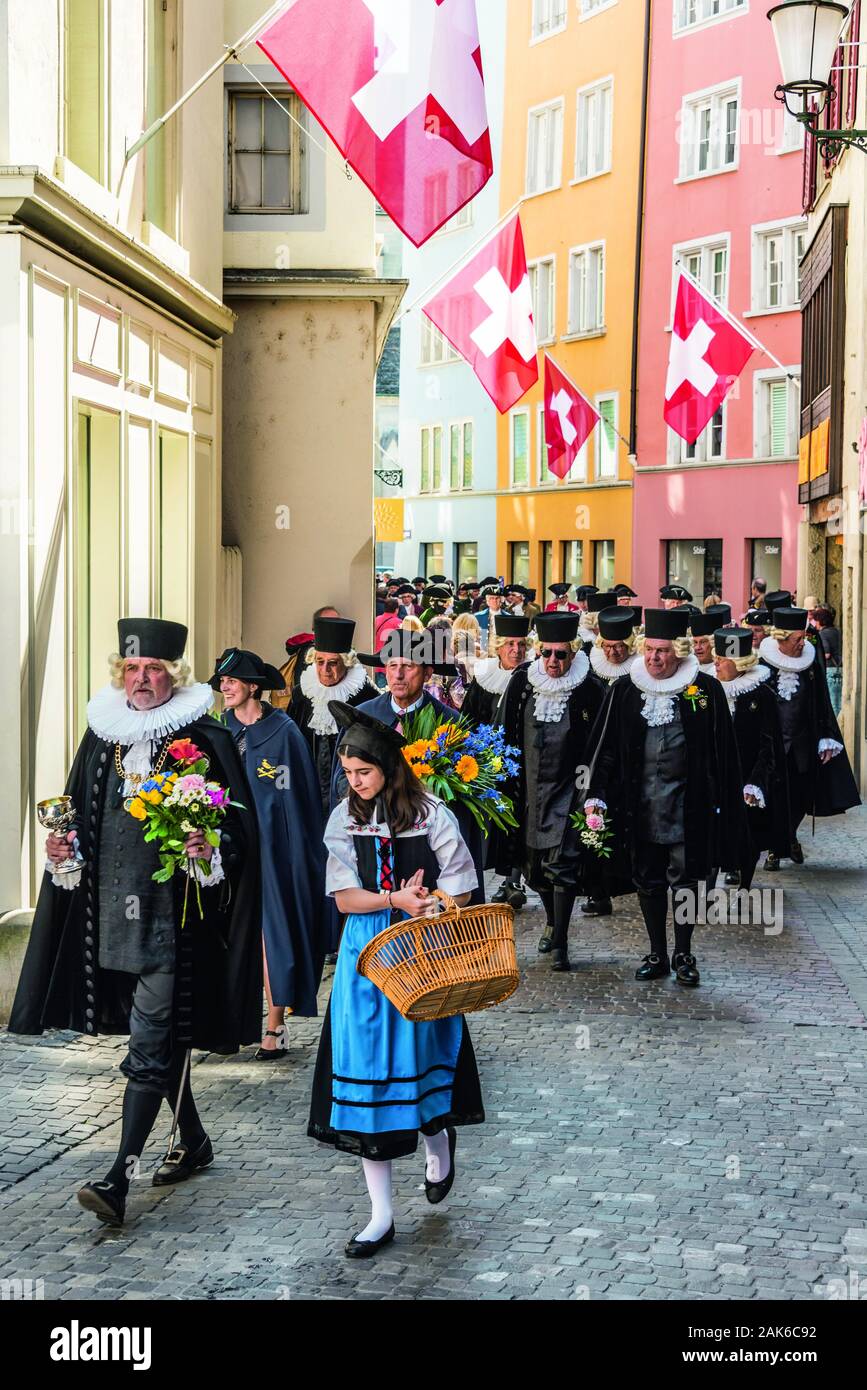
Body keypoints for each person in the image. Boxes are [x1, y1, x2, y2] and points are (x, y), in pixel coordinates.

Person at [9, 619, 261, 1225]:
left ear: (173, 676)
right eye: (131, 669)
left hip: (173, 924)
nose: (140, 679)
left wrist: (211, 844)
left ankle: (119, 1174)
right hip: (109, 919)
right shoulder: (103, 735)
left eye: (152, 670)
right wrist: (62, 851)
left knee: (149, 1044)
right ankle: (193, 1140)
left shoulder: (204, 737)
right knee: (161, 1037)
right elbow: (77, 815)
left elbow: (240, 829)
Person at [309, 702, 482, 1258]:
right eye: (348, 773)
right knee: (368, 1076)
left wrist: (429, 901)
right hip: (367, 957)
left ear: (386, 765)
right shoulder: (343, 819)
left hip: (424, 951)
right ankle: (380, 1215)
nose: (354, 783)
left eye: (363, 772)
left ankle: (438, 1144)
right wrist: (392, 898)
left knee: (421, 1065)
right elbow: (343, 899)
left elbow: (462, 887)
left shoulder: (432, 814)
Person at [581, 608, 749, 987]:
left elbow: (724, 752)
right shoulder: (624, 689)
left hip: (687, 806)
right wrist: (596, 794)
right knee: (648, 881)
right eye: (650, 650)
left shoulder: (703, 690)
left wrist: (724, 803)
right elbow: (603, 749)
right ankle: (657, 951)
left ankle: (684, 953)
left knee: (687, 881)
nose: (655, 658)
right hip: (639, 807)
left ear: (680, 652)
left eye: (663, 651)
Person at [214, 648, 327, 1057]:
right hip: (225, 856)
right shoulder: (217, 730)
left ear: (253, 687)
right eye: (220, 682)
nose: (224, 687)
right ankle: (222, 1022)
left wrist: (300, 860)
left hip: (273, 854)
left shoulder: (284, 733)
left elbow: (300, 802)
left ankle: (274, 1025)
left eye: (231, 680)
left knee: (271, 935)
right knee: (223, 937)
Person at [333, 646, 486, 905]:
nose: (399, 675)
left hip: (424, 850)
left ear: (427, 673)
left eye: (409, 666)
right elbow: (341, 781)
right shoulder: (364, 717)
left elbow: (463, 801)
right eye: (392, 666)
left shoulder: (450, 724)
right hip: (374, 843)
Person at [499, 612, 604, 971]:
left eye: (560, 654)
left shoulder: (589, 689)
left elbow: (598, 744)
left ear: (573, 653)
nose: (553, 661)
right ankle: (550, 921)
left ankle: (560, 940)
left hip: (570, 791)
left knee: (563, 865)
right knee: (535, 868)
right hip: (529, 790)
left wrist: (591, 792)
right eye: (546, 653)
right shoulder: (522, 684)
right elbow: (506, 734)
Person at [759, 607, 860, 869]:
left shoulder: (810, 666)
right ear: (781, 639)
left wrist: (826, 736)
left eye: (803, 637)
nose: (803, 642)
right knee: (774, 798)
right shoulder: (762, 666)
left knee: (800, 797)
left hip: (802, 743)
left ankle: (789, 835)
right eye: (797, 639)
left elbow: (822, 702)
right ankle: (775, 847)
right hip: (771, 746)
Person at [462, 613, 531, 911]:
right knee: (497, 822)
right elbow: (469, 718)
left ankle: (514, 880)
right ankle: (504, 878)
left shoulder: (533, 677)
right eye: (510, 645)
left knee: (520, 821)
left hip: (524, 762)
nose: (516, 650)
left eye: (521, 645)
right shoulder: (485, 678)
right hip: (489, 763)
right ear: (499, 648)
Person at [711, 627, 790, 888]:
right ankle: (709, 889)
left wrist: (757, 782)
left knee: (749, 835)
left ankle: (745, 884)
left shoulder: (761, 694)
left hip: (747, 776)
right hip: (714, 775)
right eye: (717, 657)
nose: (716, 663)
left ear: (739, 662)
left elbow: (769, 744)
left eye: (722, 659)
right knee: (710, 834)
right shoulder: (707, 691)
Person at [289, 615, 377, 815]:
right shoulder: (301, 694)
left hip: (351, 790)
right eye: (320, 662)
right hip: (310, 786)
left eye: (333, 663)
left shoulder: (365, 696)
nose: (325, 670)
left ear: (346, 663)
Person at [814, 605, 842, 715]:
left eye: (816, 621)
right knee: (839, 702)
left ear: (821, 621)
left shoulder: (822, 633)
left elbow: (826, 653)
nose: (815, 624)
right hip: (840, 667)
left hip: (831, 669)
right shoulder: (837, 631)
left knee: (833, 703)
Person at [688, 604, 732, 676]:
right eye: (695, 642)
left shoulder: (723, 669)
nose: (697, 647)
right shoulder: (688, 667)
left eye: (703, 642)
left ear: (714, 643)